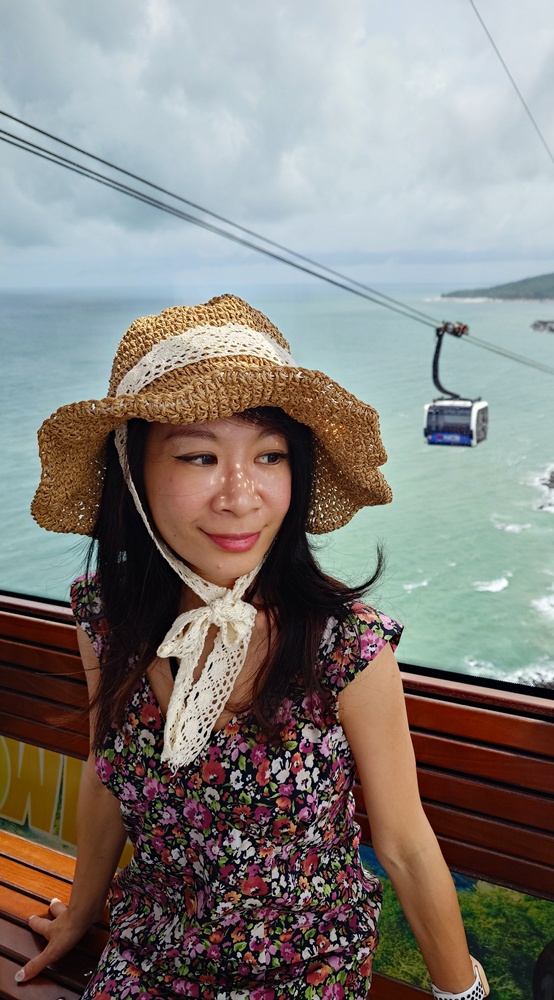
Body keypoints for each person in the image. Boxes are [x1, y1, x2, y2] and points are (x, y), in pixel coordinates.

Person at [21, 294, 490, 1000]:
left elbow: (403, 841)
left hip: (306, 965)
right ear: (136, 476)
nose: (241, 497)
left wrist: (463, 995)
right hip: (152, 946)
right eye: (200, 456)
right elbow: (104, 767)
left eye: (268, 455)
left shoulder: (345, 645)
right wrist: (85, 910)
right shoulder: (106, 617)